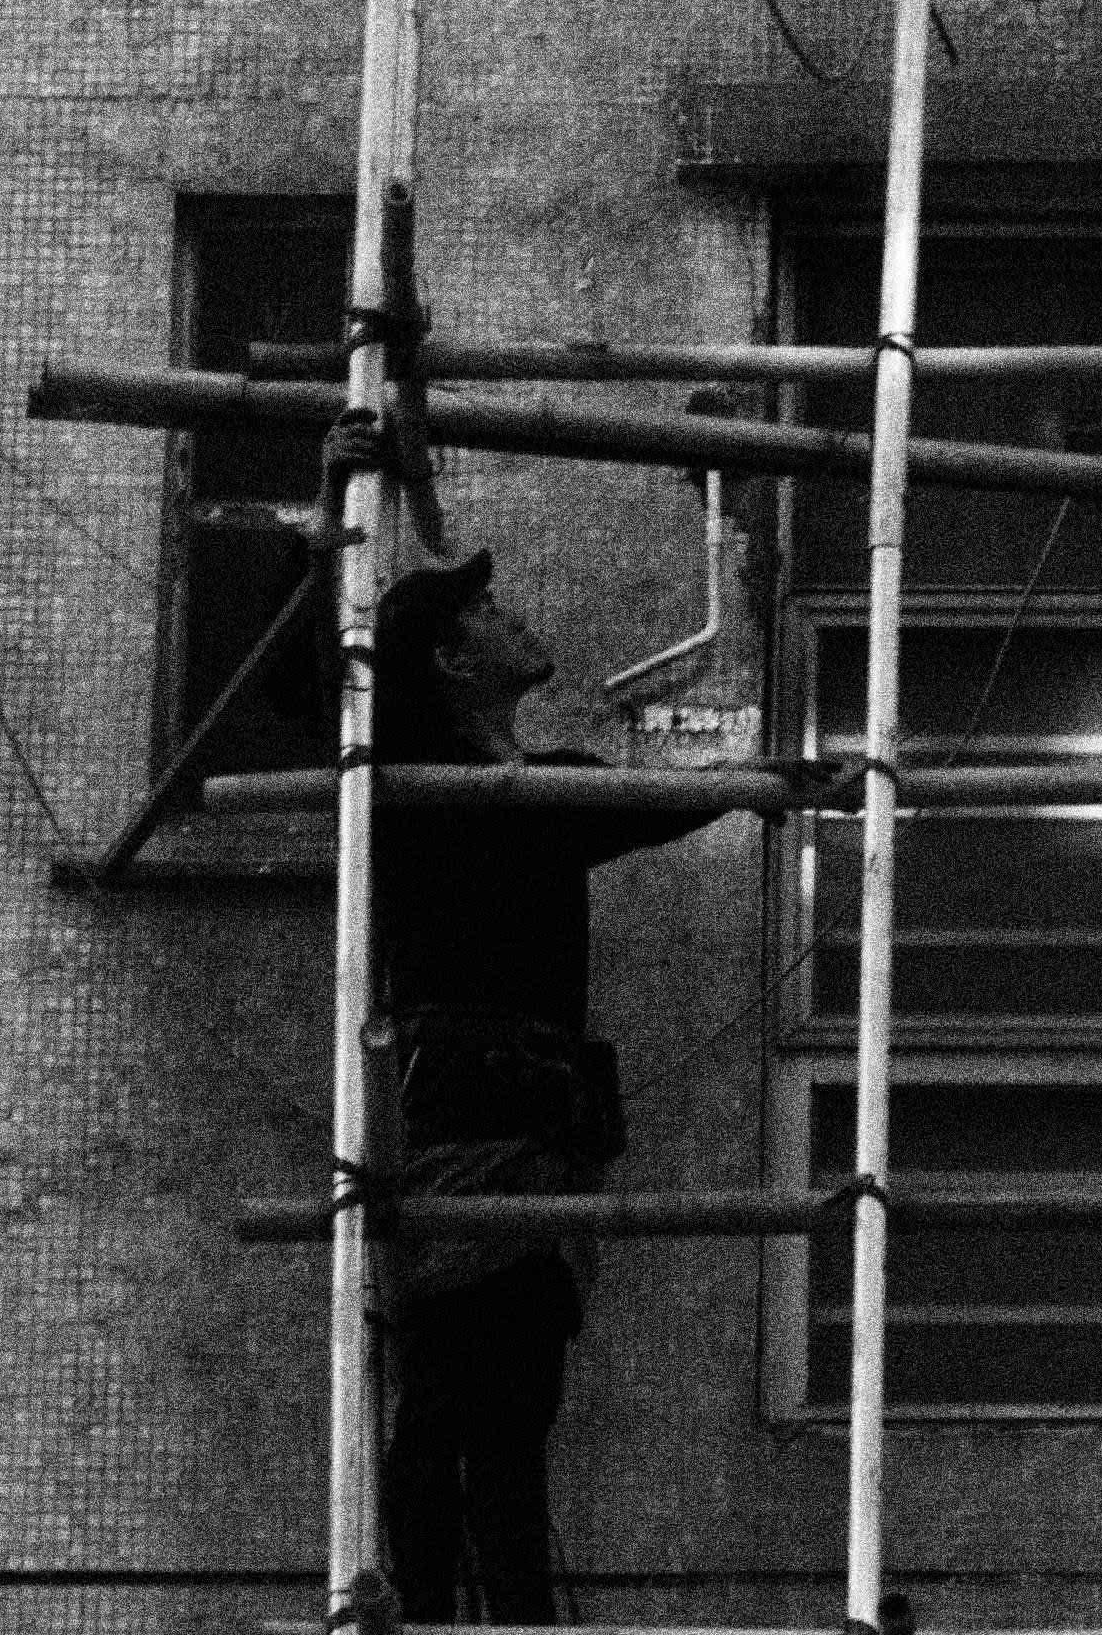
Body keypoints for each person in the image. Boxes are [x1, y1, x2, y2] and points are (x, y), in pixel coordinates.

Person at [367, 544, 730, 1622]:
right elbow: (311, 676)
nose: (512, 614)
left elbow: (644, 806)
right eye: (483, 608)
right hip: (465, 1115)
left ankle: (494, 1613)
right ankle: (437, 1614)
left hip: (528, 1117)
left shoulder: (535, 791)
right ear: (446, 655)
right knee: (448, 1405)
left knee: (506, 1410)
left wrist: (763, 787)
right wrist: (336, 502)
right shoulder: (408, 772)